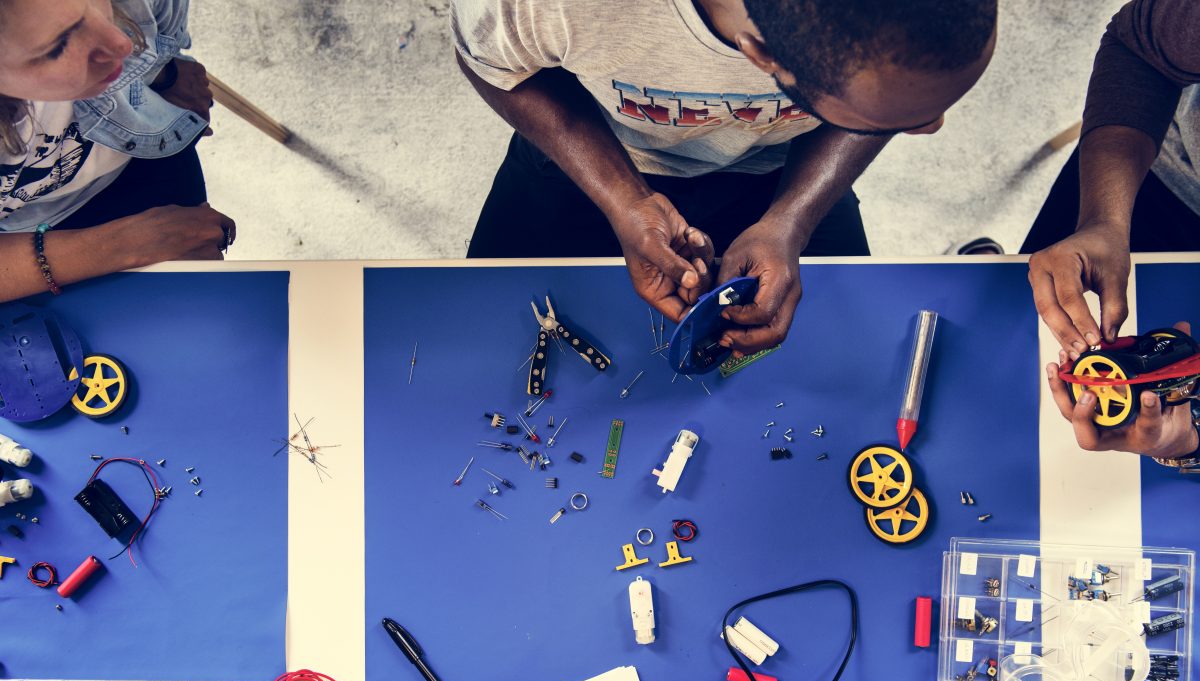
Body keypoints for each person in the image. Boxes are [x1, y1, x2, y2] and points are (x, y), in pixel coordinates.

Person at [453, 0, 997, 355]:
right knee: (486, 352)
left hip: (784, 169)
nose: (934, 128)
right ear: (756, 55)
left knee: (850, 362)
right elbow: (499, 68)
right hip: (590, 152)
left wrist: (791, 220)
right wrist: (623, 198)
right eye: (896, 121)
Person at [1023, 0, 1199, 465]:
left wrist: (1188, 446)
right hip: (1162, 177)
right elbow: (1141, 48)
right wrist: (1104, 218)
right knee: (1032, 301)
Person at [0, 0, 235, 303]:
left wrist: (165, 72)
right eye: (58, 46)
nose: (121, 43)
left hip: (146, 151)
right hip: (32, 231)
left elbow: (160, 44)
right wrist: (119, 246)